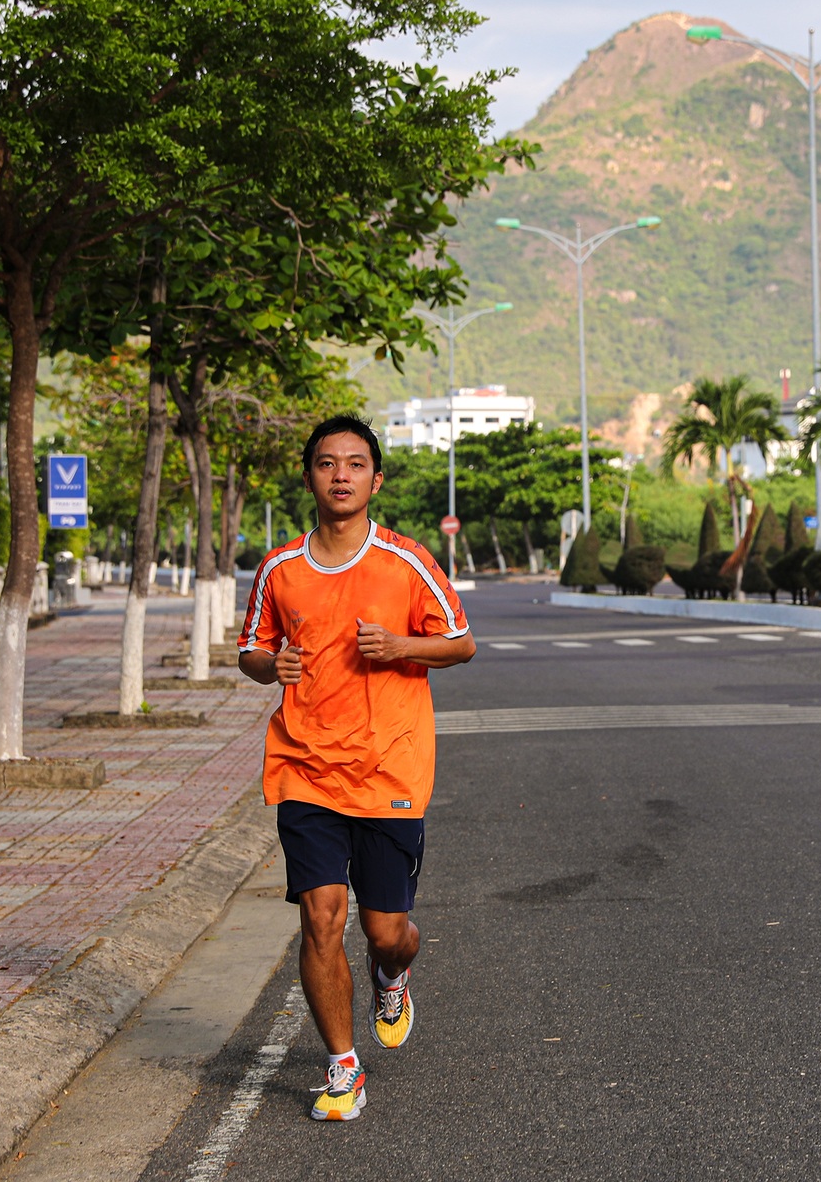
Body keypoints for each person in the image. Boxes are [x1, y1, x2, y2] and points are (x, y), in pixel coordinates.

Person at [238, 415, 475, 1121]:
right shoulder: (281, 569)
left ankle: (392, 973)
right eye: (326, 462)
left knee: (385, 930)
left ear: (376, 479)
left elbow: (460, 643)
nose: (340, 474)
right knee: (320, 918)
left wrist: (402, 644)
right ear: (309, 475)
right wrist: (266, 665)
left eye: (355, 464)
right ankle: (342, 1068)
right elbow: (252, 650)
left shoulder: (406, 561)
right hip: (306, 765)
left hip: (390, 770)